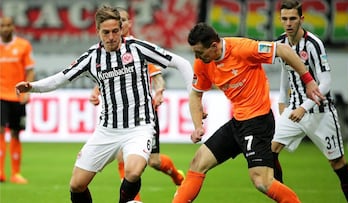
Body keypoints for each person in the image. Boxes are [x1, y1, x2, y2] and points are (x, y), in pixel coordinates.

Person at [15, 5, 193, 203]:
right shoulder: (92, 57)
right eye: (106, 32)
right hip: (107, 130)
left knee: (133, 171)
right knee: (77, 185)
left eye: (115, 31)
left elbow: (182, 64)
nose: (111, 37)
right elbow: (60, 79)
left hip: (139, 126)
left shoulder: (138, 48)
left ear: (122, 28)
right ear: (97, 31)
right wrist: (32, 86)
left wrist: (194, 99)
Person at [172, 22, 325, 203]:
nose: (197, 57)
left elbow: (283, 50)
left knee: (262, 181)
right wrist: (198, 126)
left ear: (214, 46)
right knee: (198, 163)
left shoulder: (243, 49)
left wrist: (308, 80)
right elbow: (195, 95)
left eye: (199, 52)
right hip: (238, 122)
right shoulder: (203, 63)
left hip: (258, 121)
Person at [89, 8, 185, 201]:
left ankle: (176, 175)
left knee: (154, 162)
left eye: (123, 21)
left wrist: (159, 91)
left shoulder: (138, 49)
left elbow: (156, 76)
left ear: (128, 23)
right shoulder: (103, 51)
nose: (121, 25)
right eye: (119, 21)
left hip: (142, 115)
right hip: (118, 117)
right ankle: (134, 199)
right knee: (123, 158)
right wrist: (96, 91)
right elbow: (105, 78)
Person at [271, 1, 348, 202]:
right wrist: (282, 100)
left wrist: (304, 107)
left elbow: (326, 82)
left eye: (293, 18)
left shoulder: (313, 44)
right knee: (269, 152)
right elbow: (286, 71)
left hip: (321, 113)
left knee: (338, 164)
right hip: (294, 109)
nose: (288, 23)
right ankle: (285, 200)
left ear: (302, 19)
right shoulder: (281, 42)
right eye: (284, 19)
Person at [0, 16, 35, 184]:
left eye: (8, 25)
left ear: (13, 27)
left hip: (17, 96)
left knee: (15, 132)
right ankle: (0, 172)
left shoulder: (23, 45)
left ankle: (15, 173)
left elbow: (29, 70)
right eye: (2, 26)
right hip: (0, 95)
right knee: (0, 131)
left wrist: (27, 92)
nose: (5, 28)